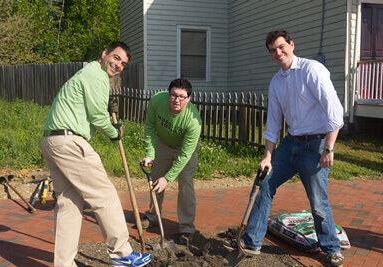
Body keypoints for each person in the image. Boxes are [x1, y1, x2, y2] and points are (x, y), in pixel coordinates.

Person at [228, 30, 345, 267]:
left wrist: (329, 149)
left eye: (281, 47)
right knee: (265, 183)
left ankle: (331, 248)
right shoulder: (276, 82)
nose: (278, 53)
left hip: (316, 144)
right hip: (290, 144)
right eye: (273, 50)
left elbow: (335, 114)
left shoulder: (312, 70)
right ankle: (252, 243)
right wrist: (268, 156)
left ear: (292, 45)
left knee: (318, 200)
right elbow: (272, 123)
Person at [41, 41, 152, 267]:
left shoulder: (89, 75)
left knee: (69, 205)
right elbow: (98, 116)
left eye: (123, 63)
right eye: (116, 57)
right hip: (69, 142)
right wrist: (115, 132)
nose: (118, 64)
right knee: (105, 195)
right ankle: (121, 254)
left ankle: (63, 264)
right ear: (104, 54)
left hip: (52, 140)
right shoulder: (95, 74)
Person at [140, 78, 201, 244]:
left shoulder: (193, 121)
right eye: (174, 95)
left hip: (184, 150)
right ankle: (152, 216)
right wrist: (150, 154)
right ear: (168, 94)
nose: (177, 100)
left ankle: (187, 228)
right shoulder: (157, 101)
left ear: (188, 99)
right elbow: (150, 127)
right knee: (155, 179)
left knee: (186, 185)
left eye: (182, 97)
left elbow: (185, 154)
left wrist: (168, 178)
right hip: (163, 144)